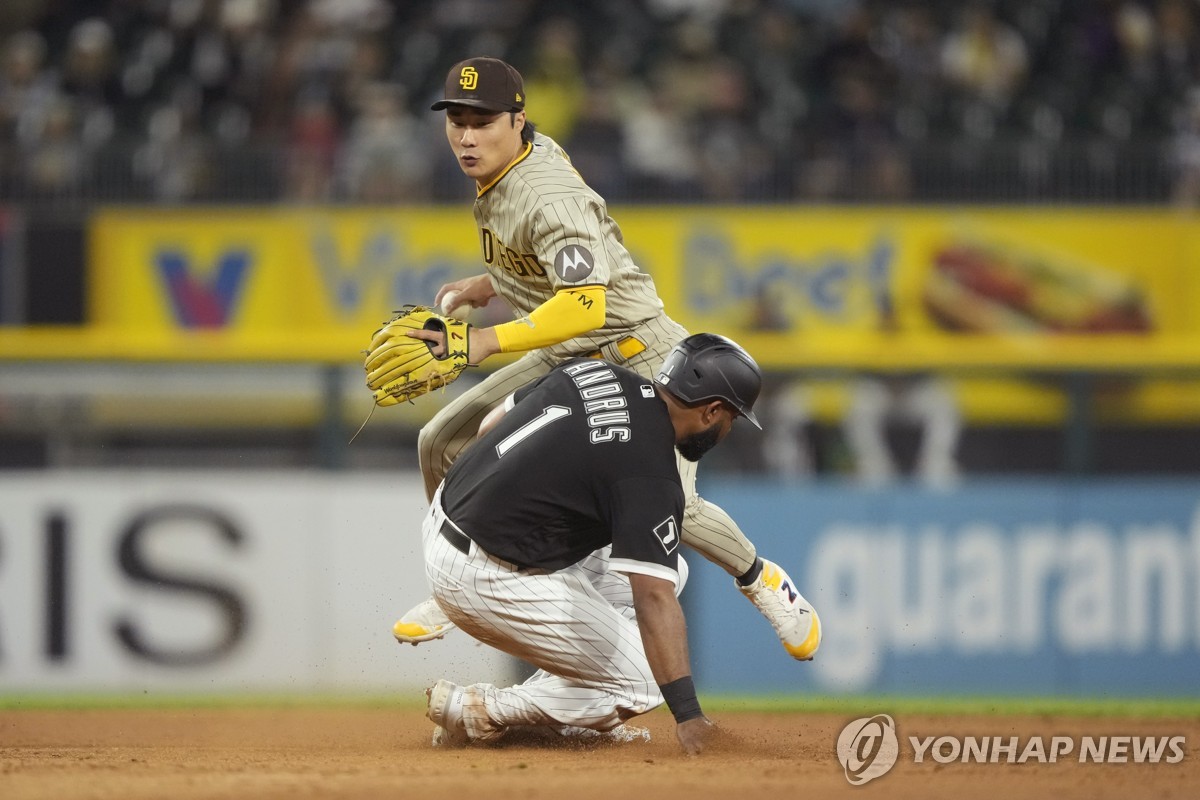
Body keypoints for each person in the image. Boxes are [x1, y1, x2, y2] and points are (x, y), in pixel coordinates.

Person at [393, 56, 817, 663]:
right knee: (440, 441)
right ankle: (463, 578)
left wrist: (485, 340)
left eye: (483, 120)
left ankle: (763, 581)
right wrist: (491, 283)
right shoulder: (508, 168)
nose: (466, 134)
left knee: (676, 501)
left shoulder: (548, 194)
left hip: (638, 353)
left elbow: (586, 306)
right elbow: (545, 265)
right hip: (569, 351)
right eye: (457, 119)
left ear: (518, 120)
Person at [420, 334, 817, 753]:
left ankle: (562, 710)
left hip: (445, 519)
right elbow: (654, 601)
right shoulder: (651, 472)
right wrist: (689, 716)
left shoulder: (592, 372)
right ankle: (477, 709)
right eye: (731, 417)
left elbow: (488, 427)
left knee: (671, 569)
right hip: (483, 575)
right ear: (711, 410)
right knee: (645, 683)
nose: (728, 428)